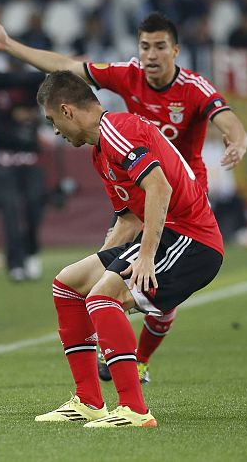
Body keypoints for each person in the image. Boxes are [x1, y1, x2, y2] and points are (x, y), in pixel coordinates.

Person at [0, 11, 247, 383]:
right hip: (137, 176)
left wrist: (238, 139)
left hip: (182, 191)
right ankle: (106, 355)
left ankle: (135, 362)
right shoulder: (124, 86)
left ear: (176, 50)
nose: (151, 55)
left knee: (150, 288)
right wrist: (10, 46)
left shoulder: (193, 87)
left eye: (160, 46)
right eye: (145, 46)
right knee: (102, 271)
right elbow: (66, 67)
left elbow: (225, 117)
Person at [33, 71, 223, 427]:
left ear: (66, 110)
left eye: (52, 120)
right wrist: (102, 265)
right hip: (165, 234)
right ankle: (89, 401)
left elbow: (159, 188)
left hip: (191, 240)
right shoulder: (99, 152)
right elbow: (128, 221)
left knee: (103, 297)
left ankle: (135, 410)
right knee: (69, 284)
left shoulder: (117, 130)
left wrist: (146, 257)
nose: (54, 130)